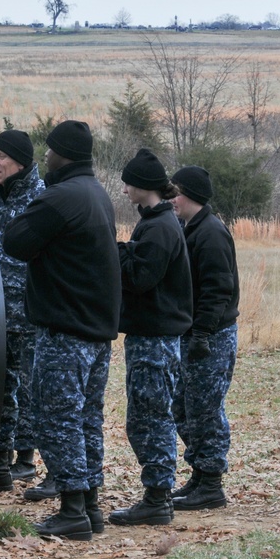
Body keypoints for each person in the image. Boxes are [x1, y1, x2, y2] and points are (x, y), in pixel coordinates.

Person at [3, 120, 121, 541]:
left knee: (59, 419)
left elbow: (15, 241)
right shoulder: (97, 196)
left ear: (62, 154)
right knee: (87, 419)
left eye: (49, 150)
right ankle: (90, 506)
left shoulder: (60, 198)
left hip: (64, 331)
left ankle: (71, 511)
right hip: (95, 332)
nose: (45, 157)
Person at [107, 149, 193, 527]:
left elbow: (141, 278)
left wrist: (117, 250)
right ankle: (156, 495)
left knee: (151, 417)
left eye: (128, 182)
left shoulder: (159, 227)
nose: (124, 188)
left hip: (155, 340)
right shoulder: (157, 222)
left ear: (143, 186)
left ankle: (158, 499)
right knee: (144, 417)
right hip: (151, 336)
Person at [0, 129, 46, 492]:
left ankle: (27, 457)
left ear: (21, 160)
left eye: (1, 156)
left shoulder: (42, 198)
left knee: (32, 388)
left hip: (31, 311)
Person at [168, 165, 240, 511]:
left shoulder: (210, 233)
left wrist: (202, 334)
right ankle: (199, 473)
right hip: (194, 334)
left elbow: (218, 289)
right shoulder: (190, 229)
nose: (172, 200)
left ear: (191, 195)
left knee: (205, 409)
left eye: (176, 193)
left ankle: (211, 483)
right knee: (184, 405)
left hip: (211, 336)